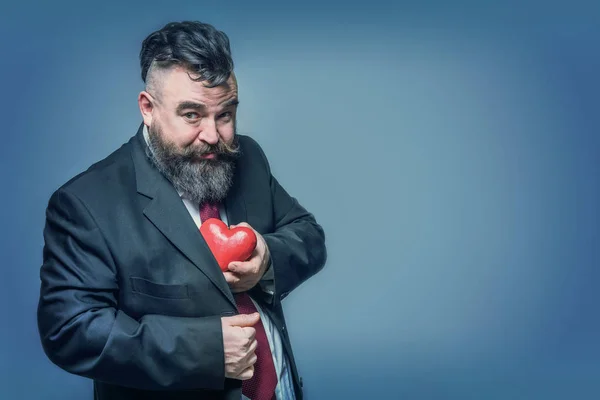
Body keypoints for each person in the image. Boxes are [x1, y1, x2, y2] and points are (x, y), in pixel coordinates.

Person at [37, 20, 327, 400]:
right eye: (192, 115)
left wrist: (266, 258)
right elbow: (70, 330)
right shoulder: (84, 204)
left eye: (225, 115)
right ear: (148, 108)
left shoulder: (249, 157)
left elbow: (308, 235)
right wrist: (205, 351)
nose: (213, 135)